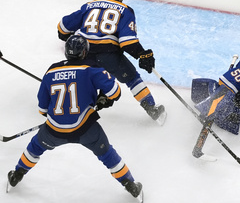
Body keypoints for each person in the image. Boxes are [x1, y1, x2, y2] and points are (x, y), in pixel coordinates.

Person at [6, 35, 144, 202]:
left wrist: (59, 115)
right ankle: (130, 184)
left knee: (35, 146)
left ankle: (17, 174)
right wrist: (102, 98)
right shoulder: (92, 67)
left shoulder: (51, 71)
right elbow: (115, 92)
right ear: (85, 52)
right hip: (86, 130)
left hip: (54, 131)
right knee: (107, 153)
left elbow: (42, 109)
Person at [57, 0, 166, 125]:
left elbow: (62, 28)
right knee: (132, 79)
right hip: (108, 55)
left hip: (83, 54)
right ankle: (152, 109)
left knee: (81, 75)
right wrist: (142, 54)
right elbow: (127, 42)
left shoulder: (89, 6)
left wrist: (69, 37)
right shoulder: (125, 10)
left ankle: (69, 101)